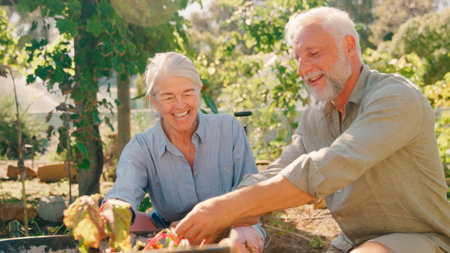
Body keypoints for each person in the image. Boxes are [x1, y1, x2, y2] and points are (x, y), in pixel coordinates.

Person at [175, 6, 450, 253]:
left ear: (349, 46)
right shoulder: (314, 119)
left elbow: (333, 163)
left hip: (422, 240)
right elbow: (276, 172)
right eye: (297, 57)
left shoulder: (395, 97)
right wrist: (206, 218)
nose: (302, 68)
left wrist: (226, 209)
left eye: (313, 53)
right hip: (352, 243)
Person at [101, 52, 265, 252]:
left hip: (230, 225)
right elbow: (123, 193)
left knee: (242, 240)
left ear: (199, 91)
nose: (180, 105)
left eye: (187, 93)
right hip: (169, 229)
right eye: (168, 97)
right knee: (120, 232)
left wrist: (212, 221)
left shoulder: (228, 129)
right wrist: (110, 214)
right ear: (154, 101)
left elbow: (251, 198)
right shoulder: (142, 147)